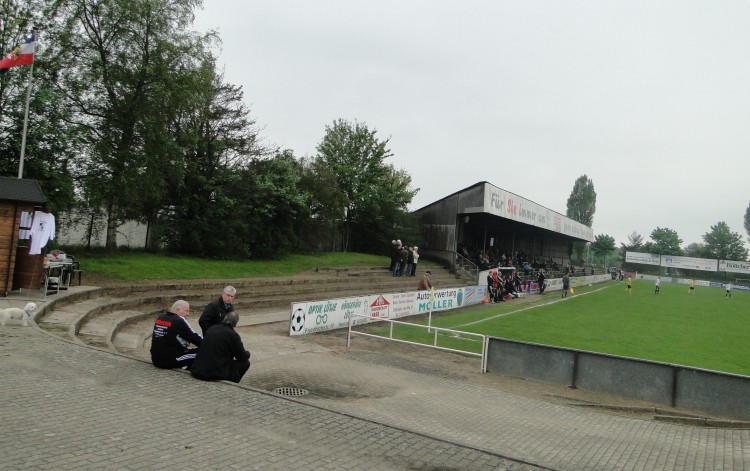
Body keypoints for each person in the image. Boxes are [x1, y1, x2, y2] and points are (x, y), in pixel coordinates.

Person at [191, 311, 251, 383]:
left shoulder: (212, 328)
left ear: (224, 319)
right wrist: (248, 353)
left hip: (198, 370)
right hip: (213, 373)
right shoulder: (232, 335)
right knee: (245, 363)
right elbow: (242, 356)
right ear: (235, 323)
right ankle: (232, 382)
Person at [150, 300, 202, 370]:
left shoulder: (161, 317)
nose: (188, 314)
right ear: (177, 310)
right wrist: (209, 345)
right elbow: (195, 338)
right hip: (168, 361)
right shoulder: (178, 321)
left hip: (156, 359)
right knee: (203, 352)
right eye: (186, 311)